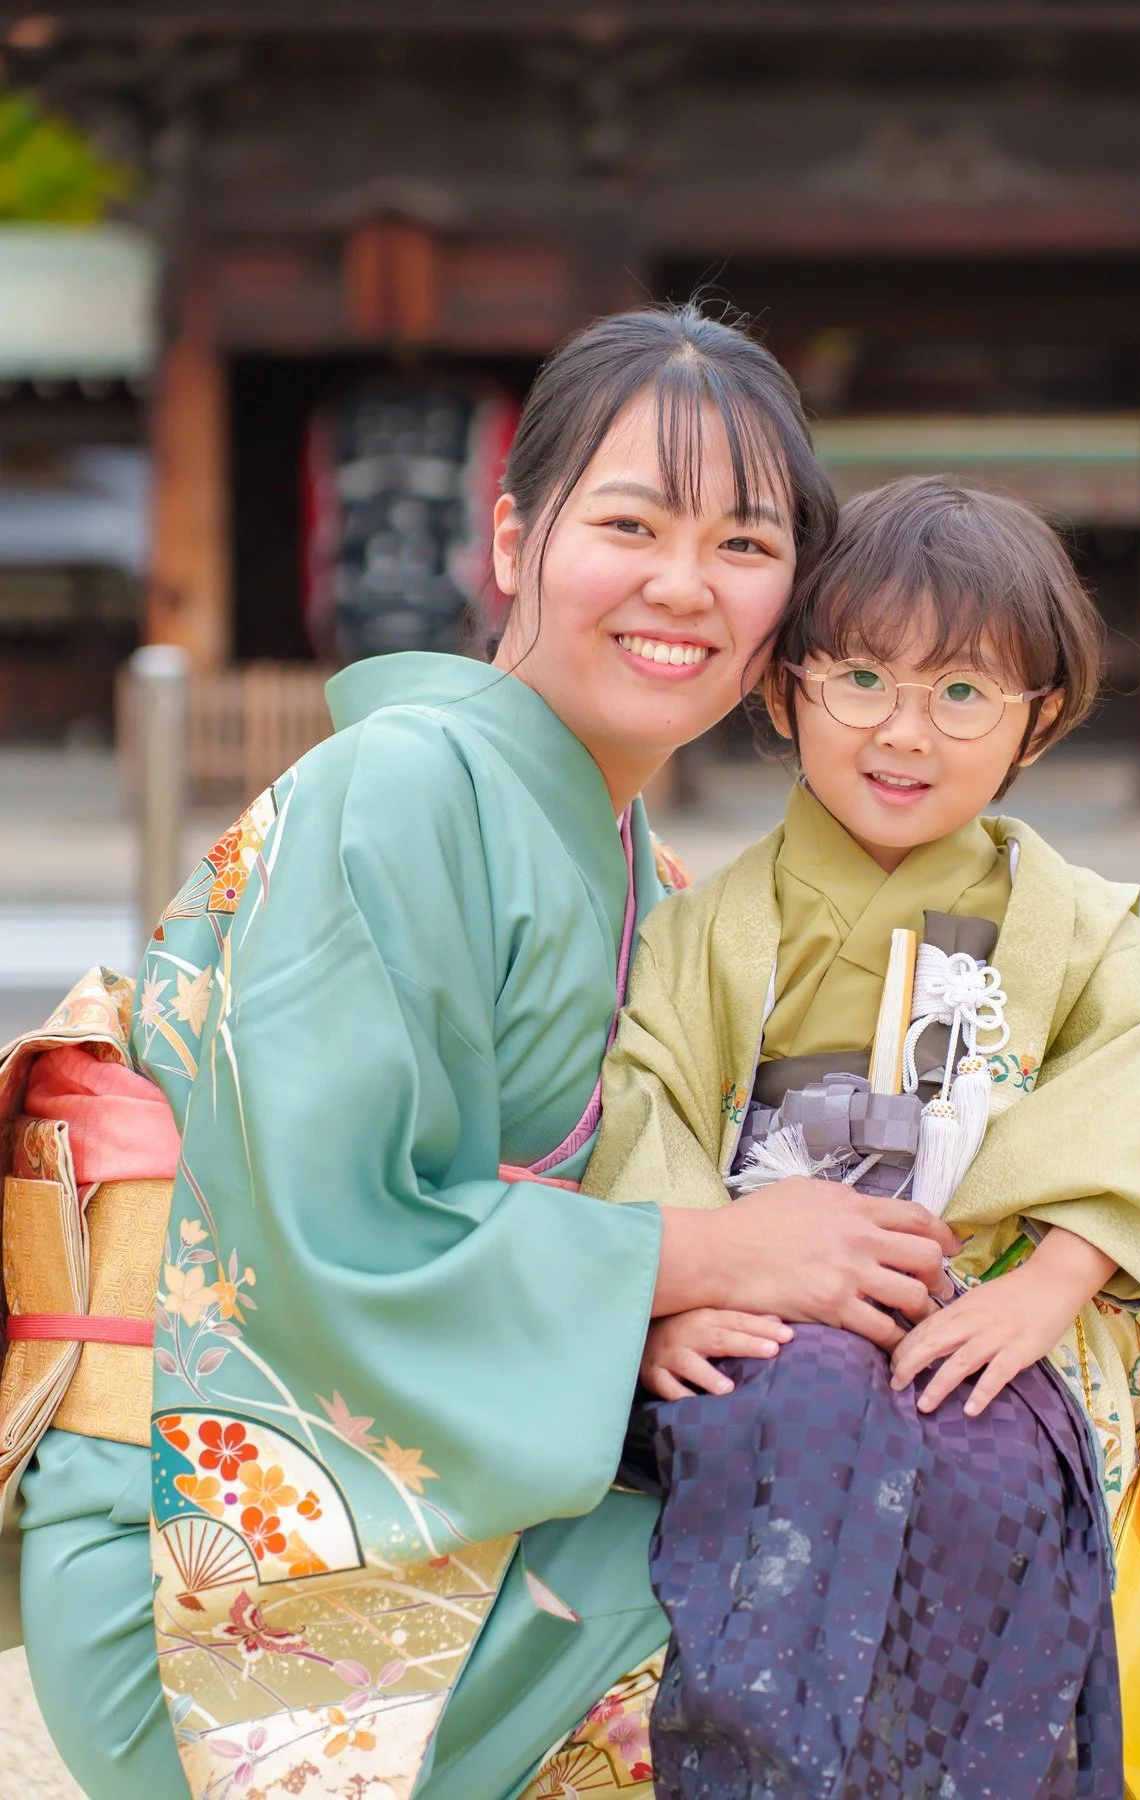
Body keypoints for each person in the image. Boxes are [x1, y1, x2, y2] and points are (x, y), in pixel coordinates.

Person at [13, 308, 962, 1800]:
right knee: (855, 1614)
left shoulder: (639, 861)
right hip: (234, 1568)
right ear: (514, 542)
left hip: (443, 1497)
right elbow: (328, 1237)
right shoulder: (398, 793)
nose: (681, 586)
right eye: (633, 523)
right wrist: (704, 1259)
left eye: (743, 545)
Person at [584, 478, 1140, 1799]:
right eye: (862, 677)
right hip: (766, 1302)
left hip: (974, 1302)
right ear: (784, 690)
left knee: (993, 1474)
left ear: (1039, 718)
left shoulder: (1076, 924)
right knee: (794, 1409)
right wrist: (680, 1288)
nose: (905, 733)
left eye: (964, 693)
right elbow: (645, 1094)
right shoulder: (713, 928)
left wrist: (1049, 1283)